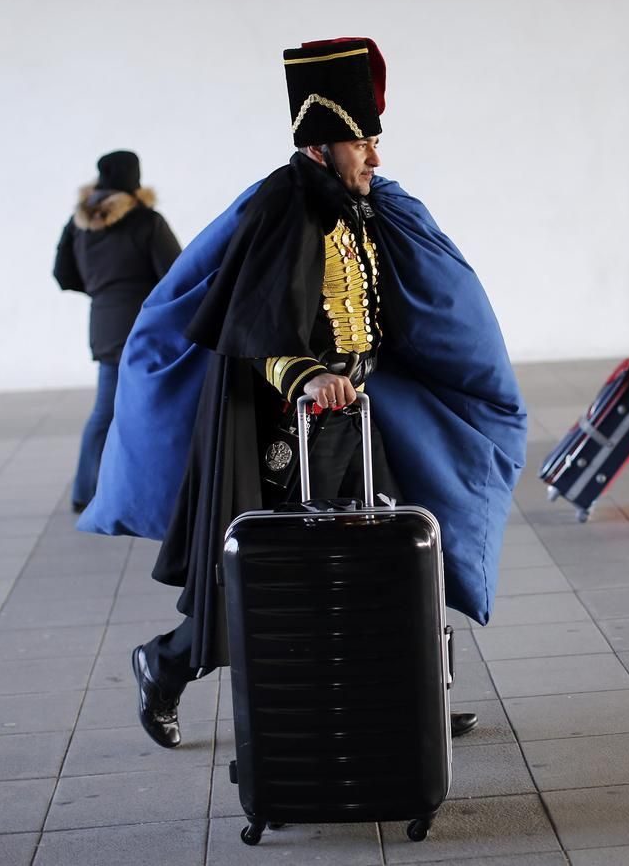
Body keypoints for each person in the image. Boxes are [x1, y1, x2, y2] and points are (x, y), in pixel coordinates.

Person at [83, 39, 526, 749]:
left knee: (385, 559)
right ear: (321, 145)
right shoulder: (283, 206)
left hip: (354, 419)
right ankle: (163, 663)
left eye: (376, 142)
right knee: (265, 584)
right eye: (362, 144)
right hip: (284, 434)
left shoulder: (355, 204)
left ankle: (406, 700)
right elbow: (251, 323)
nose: (375, 160)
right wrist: (309, 373)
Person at [53, 151, 181, 512]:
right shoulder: (147, 222)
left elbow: (64, 275)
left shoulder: (78, 223)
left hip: (103, 326)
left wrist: (102, 290)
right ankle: (151, 492)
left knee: (104, 413)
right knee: (152, 410)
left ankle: (85, 491)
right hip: (144, 329)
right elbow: (175, 276)